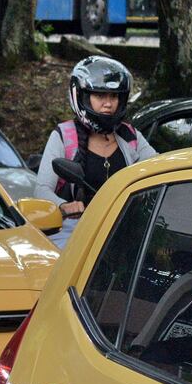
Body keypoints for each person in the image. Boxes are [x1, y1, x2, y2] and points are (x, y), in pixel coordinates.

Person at [35, 56, 155, 249]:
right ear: (82, 96)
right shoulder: (64, 136)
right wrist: (64, 206)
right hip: (74, 237)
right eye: (100, 96)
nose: (108, 104)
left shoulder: (130, 136)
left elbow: (158, 167)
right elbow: (41, 189)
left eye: (114, 96)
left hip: (122, 235)